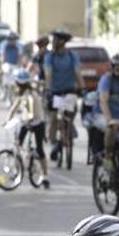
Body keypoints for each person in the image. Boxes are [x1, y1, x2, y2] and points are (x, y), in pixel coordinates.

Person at [44, 29, 84, 161]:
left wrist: (82, 88)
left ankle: (68, 128)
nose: (54, 42)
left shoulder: (72, 56)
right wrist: (48, 89)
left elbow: (77, 72)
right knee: (54, 118)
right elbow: (48, 73)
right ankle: (54, 143)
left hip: (69, 90)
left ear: (63, 41)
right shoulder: (50, 56)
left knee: (71, 113)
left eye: (56, 39)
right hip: (54, 91)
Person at [5, 69, 49, 188]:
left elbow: (32, 113)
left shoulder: (31, 95)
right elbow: (14, 107)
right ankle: (17, 169)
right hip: (27, 122)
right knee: (18, 143)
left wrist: (27, 120)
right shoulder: (22, 94)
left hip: (38, 123)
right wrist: (7, 119)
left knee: (40, 149)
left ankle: (45, 176)